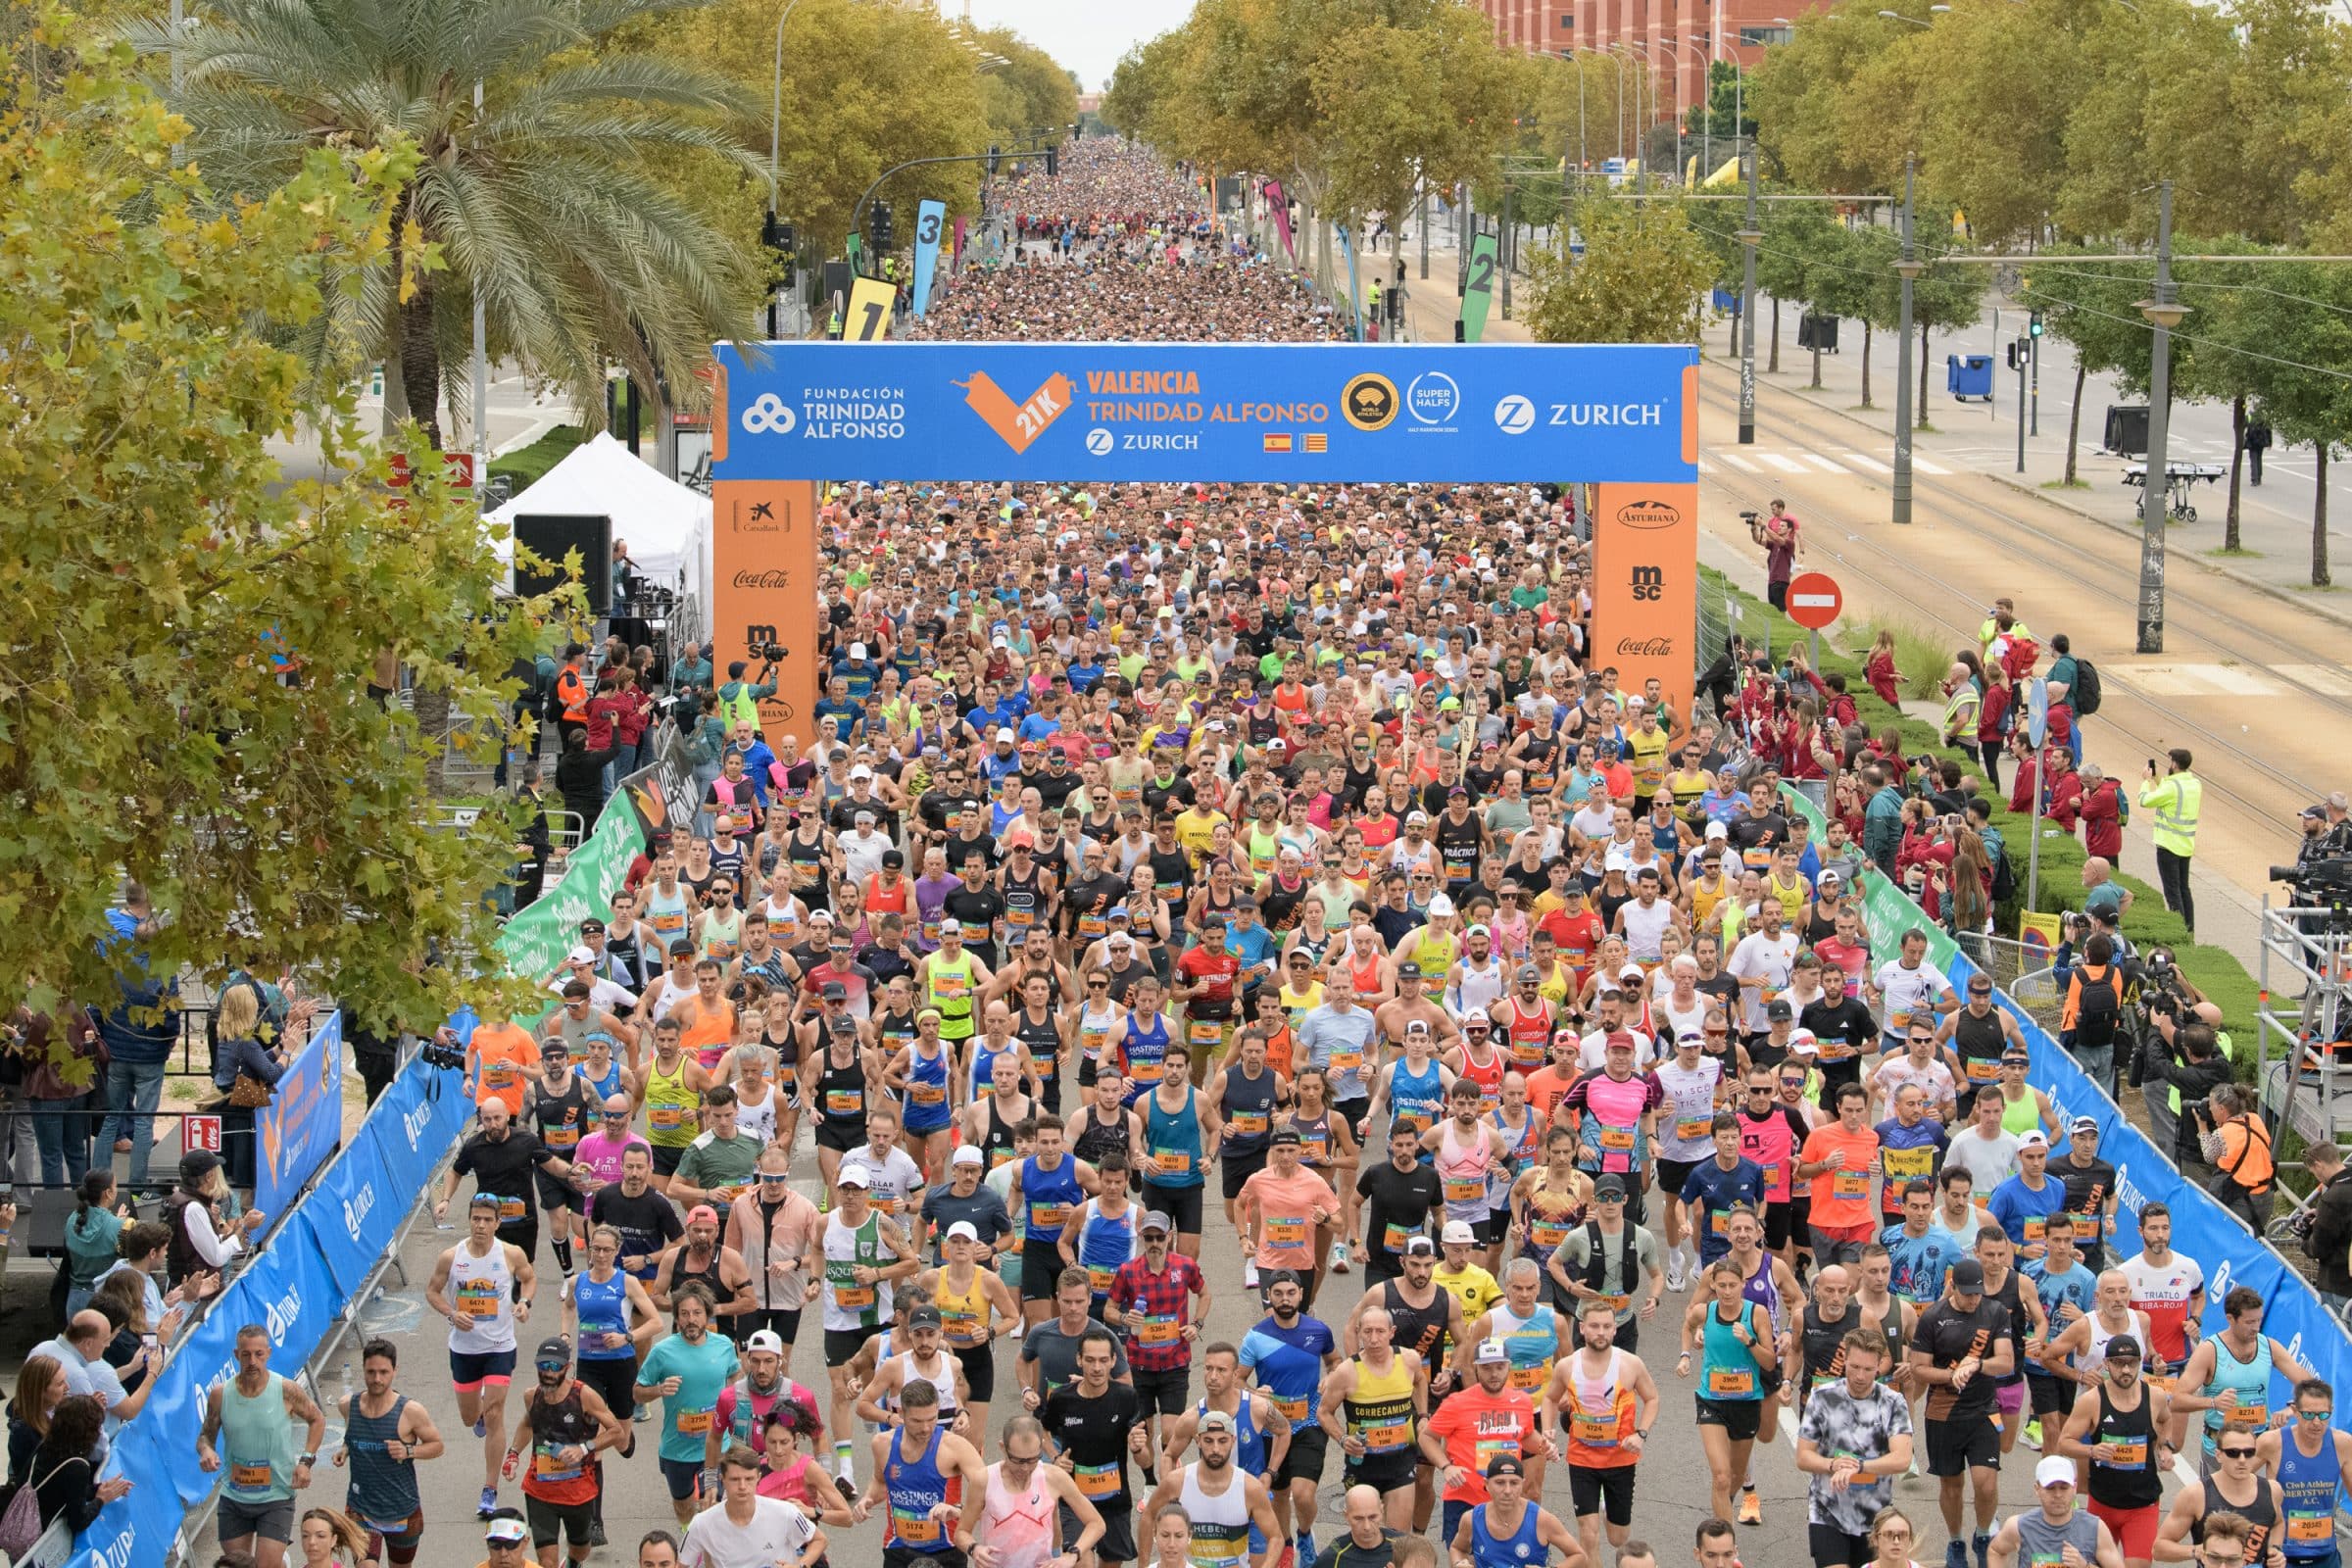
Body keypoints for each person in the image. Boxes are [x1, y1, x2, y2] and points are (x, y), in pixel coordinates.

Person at [427, 1192, 537, 1518]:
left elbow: (529, 1280)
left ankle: (489, 1489)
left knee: (495, 1413)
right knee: (469, 1416)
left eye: (488, 1220)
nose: (481, 1225)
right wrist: (451, 1313)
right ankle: (475, 1415)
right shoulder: (452, 1256)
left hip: (500, 1346)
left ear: (498, 1223)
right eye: (476, 1218)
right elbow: (432, 1291)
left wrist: (524, 1304)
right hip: (464, 1348)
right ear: (469, 1219)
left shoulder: (511, 1254)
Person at [1910, 1258, 2016, 1568]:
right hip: (1943, 1413)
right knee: (1951, 1486)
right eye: (1967, 1294)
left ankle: (1983, 1535)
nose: (1973, 1300)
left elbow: (2006, 1362)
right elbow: (1919, 1369)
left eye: (1977, 1294)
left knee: (1986, 1482)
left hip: (1983, 1409)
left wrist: (1978, 1365)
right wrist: (1949, 1376)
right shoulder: (1933, 1317)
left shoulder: (1994, 1313)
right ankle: (1955, 1541)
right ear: (1953, 1287)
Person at [199, 1323, 328, 1568]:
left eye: (259, 1354)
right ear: (236, 1355)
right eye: (246, 1354)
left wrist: (306, 1461)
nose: (252, 1361)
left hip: (276, 1495)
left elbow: (317, 1419)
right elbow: (205, 1436)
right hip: (234, 1497)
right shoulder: (220, 1394)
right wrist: (206, 1450)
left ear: (268, 1353)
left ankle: (278, 1560)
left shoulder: (285, 1390)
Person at [1541, 1300, 1657, 1566]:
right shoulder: (1567, 1366)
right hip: (1582, 1459)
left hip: (1620, 1460)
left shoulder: (1630, 1364)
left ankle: (1606, 1503)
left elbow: (1652, 1399)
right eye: (1594, 1326)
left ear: (1615, 1330)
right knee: (1589, 1534)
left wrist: (1641, 1434)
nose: (1600, 1332)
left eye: (1607, 1326)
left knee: (1618, 1538)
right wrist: (1548, 1430)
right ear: (1582, 1328)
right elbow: (1549, 1399)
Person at [1793, 1327, 1915, 1568]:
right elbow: (1803, 1456)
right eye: (1854, 1367)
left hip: (1874, 1517)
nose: (1860, 1376)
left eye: (1868, 1369)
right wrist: (1832, 1464)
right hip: (1827, 1510)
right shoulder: (1822, 1397)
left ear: (1880, 1366)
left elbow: (1902, 1459)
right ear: (1845, 1360)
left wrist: (1859, 1467)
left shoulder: (1892, 1402)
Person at [1677, 1255, 1782, 1528]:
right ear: (1713, 1285)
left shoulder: (1755, 1314)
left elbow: (1769, 1362)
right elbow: (1688, 1324)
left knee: (1734, 1477)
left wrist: (1750, 1342)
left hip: (1747, 1402)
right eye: (1721, 1285)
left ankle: (1723, 1505)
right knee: (1721, 1476)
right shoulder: (1706, 1311)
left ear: (1743, 1284)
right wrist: (1686, 1354)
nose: (1726, 1291)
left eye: (1732, 1285)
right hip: (1711, 1400)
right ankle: (1725, 1543)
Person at [505, 1336, 627, 1567]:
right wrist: (513, 1454)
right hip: (539, 1490)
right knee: (547, 1562)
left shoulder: (584, 1396)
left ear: (567, 1368)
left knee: (580, 1549)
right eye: (543, 1366)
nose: (548, 1372)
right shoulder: (531, 1396)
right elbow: (528, 1424)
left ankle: (573, 1561)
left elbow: (617, 1431)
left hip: (578, 1492)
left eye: (554, 1367)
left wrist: (584, 1448)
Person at [2055, 1334, 2176, 1568]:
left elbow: (2165, 1420)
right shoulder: (2092, 1401)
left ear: (2140, 1363)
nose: (2126, 1370)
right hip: (2103, 1503)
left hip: (2143, 1505)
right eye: (2119, 1363)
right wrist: (2092, 1450)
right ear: (2107, 1364)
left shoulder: (2155, 1397)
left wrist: (2164, 1447)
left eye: (2132, 1363)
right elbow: (2064, 1442)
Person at [2173, 1288, 2315, 1475]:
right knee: (2218, 1505)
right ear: (2231, 1319)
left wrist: (2290, 1409)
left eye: (2258, 1320)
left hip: (2259, 1449)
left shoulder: (2268, 1346)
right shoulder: (2210, 1351)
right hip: (2222, 1451)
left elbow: (2310, 1386)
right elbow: (2176, 1400)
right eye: (2249, 1322)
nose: (2256, 1327)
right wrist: (2213, 1402)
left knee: (2263, 1503)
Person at [1041, 1328, 1151, 1568]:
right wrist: (1054, 1457)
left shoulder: (1127, 1397)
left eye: (1103, 1360)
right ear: (1079, 1360)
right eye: (1090, 1360)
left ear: (1113, 1361)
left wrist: (1137, 1448)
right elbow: (1044, 1431)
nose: (1097, 1368)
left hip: (1115, 1500)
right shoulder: (1061, 1398)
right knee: (1082, 1563)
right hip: (1074, 1499)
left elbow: (1144, 1459)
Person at [635, 1283, 744, 1527]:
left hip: (716, 1444)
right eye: (684, 1314)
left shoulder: (724, 1345)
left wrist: (730, 1400)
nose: (691, 1320)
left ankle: (708, 1553)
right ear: (677, 1318)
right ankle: (688, 1536)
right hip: (677, 1448)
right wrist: (658, 1390)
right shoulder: (662, 1352)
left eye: (697, 1313)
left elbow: (735, 1373)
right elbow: (637, 1393)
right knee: (683, 1507)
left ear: (707, 1315)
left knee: (712, 1504)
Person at [333, 1337, 446, 1568]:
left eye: (384, 1372)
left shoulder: (410, 1411)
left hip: (402, 1510)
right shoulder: (348, 1405)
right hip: (361, 1509)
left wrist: (408, 1450)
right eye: (371, 1372)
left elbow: (437, 1445)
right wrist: (345, 1449)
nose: (377, 1379)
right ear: (363, 1370)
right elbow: (352, 1435)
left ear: (395, 1371)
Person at [1136, 1407, 1282, 1568]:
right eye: (1208, 1441)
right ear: (1198, 1440)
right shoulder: (1177, 1482)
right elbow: (1148, 1516)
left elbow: (1276, 1537)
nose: (1216, 1449)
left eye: (1222, 1441)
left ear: (1233, 1441)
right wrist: (1142, 1565)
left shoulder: (1250, 1488)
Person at [977, 1415, 1107, 1568]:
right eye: (1018, 1460)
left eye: (1032, 1459)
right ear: (1003, 1448)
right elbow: (963, 1530)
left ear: (1041, 1447)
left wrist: (1072, 1555)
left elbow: (1097, 1523)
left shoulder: (1054, 1477)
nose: (1025, 1467)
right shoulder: (985, 1479)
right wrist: (974, 1548)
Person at [2254, 1378, 2350, 1568]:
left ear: (2331, 1411)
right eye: (2308, 1414)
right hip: (2282, 1556)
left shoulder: (2342, 1444)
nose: (2316, 1422)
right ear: (2295, 1411)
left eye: (2323, 1415)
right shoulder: (2273, 1442)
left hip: (2325, 1554)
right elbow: (2235, 1477)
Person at [681, 1445, 827, 1568]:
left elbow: (819, 1540)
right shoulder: (702, 1523)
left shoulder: (785, 1512)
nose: (742, 1486)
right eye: (735, 1479)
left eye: (749, 1479)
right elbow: (682, 1564)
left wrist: (800, 1565)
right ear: (722, 1480)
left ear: (758, 1478)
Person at [1446, 1455, 1584, 1568]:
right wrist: (1459, 1564)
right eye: (1500, 1482)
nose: (1507, 1491)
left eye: (1514, 1483)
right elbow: (1457, 1548)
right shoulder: (1471, 1519)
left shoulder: (1541, 1519)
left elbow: (1579, 1556)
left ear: (1522, 1484)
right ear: (1487, 1484)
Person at [1986, 1457, 2127, 1568]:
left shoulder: (2094, 1528)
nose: (2058, 1495)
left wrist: (2085, 1566)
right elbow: (1996, 1551)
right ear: (2037, 1489)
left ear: (2074, 1488)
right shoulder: (2019, 1526)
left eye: (2064, 1488)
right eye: (2050, 1488)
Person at [28, 1395, 129, 1538]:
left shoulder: (47, 1444)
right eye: (97, 1427)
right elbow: (78, 1522)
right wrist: (101, 1499)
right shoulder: (77, 1466)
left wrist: (98, 1489)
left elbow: (66, 1490)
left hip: (29, 1523)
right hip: (41, 1539)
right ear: (87, 1431)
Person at [2138, 750, 2201, 938]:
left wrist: (2146, 781)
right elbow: (2169, 788)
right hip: (2185, 844)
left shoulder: (2172, 787)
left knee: (2172, 892)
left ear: (2174, 764)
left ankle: (2178, 932)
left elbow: (2145, 801)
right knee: (2184, 889)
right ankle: (2189, 930)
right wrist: (2157, 778)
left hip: (2168, 845)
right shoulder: (2194, 783)